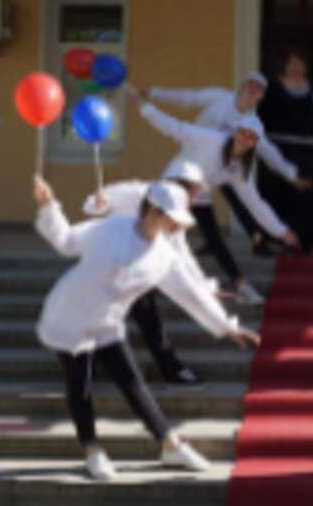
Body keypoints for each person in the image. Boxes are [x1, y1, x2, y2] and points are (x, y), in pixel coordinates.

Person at [33, 175, 260, 481]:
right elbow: (66, 241)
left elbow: (191, 295)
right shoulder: (111, 228)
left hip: (107, 320)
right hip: (70, 315)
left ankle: (170, 443)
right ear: (153, 211)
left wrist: (228, 327)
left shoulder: (165, 255)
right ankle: (92, 450)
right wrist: (49, 205)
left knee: (132, 379)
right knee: (80, 381)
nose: (176, 226)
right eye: (172, 218)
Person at [133, 90, 299, 306]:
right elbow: (176, 128)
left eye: (251, 137)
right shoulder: (211, 139)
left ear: (255, 143)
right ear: (236, 132)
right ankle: (145, 284)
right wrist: (146, 109)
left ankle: (241, 287)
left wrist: (281, 231)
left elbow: (255, 203)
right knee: (163, 237)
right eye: (243, 133)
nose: (245, 139)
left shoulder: (240, 168)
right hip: (175, 187)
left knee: (215, 240)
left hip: (199, 196)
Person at [138, 72, 313, 257]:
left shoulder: (252, 128)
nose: (253, 90)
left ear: (261, 96)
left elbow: (269, 154)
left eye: (259, 88)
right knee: (170, 209)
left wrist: (291, 175)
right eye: (250, 84)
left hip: (220, 170)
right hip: (192, 159)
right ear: (241, 86)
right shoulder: (219, 98)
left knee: (235, 200)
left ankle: (246, 241)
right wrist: (154, 94)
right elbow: (188, 98)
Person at [82, 159, 220, 386]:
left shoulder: (175, 210)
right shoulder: (136, 191)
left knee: (134, 320)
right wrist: (98, 204)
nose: (195, 196)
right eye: (194, 190)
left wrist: (204, 286)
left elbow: (181, 252)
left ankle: (88, 368)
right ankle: (171, 370)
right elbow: (94, 204)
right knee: (144, 321)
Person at [256, 47, 313, 254]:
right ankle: (274, 239)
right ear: (284, 65)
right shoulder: (272, 89)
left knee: (303, 196)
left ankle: (302, 241)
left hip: (307, 151)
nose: (297, 67)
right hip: (278, 148)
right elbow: (261, 116)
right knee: (277, 194)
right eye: (292, 62)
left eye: (300, 62)